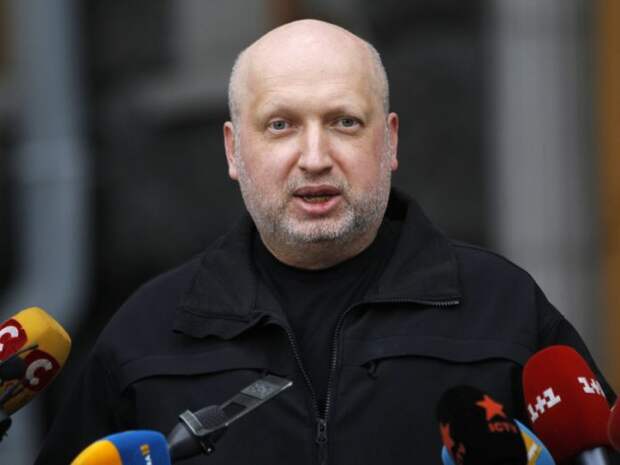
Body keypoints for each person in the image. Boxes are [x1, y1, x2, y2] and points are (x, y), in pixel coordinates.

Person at [36, 19, 615, 465]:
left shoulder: (504, 309)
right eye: (281, 125)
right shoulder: (146, 336)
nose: (314, 158)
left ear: (389, 142)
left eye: (344, 122)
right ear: (233, 150)